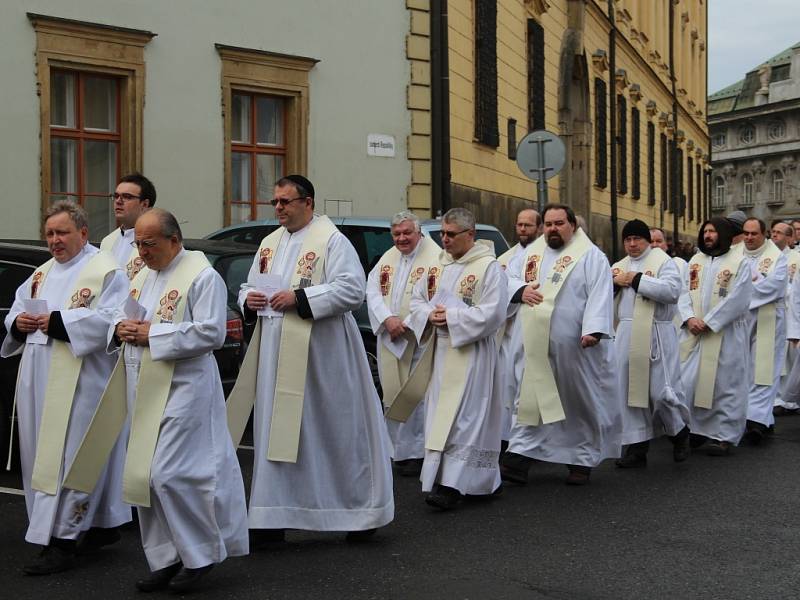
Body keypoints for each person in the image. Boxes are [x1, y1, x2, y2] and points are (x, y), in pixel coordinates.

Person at [65, 208, 249, 592]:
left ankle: (201, 554)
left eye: (149, 244)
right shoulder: (143, 275)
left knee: (168, 475)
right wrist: (121, 328)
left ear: (174, 240)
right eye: (138, 244)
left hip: (186, 390)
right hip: (142, 386)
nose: (143, 252)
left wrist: (154, 334)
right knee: (142, 478)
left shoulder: (202, 276)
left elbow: (213, 333)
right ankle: (166, 557)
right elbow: (121, 314)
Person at [227, 175, 393, 542]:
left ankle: (356, 513)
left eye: (286, 202)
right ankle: (273, 516)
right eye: (275, 202)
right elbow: (249, 285)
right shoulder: (270, 243)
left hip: (324, 355)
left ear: (308, 203)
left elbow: (351, 289)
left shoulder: (332, 240)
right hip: (276, 350)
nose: (279, 208)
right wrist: (249, 299)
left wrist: (300, 299)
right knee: (277, 432)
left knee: (332, 431)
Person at [1, 201, 131, 575]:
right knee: (39, 453)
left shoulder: (106, 271)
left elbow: (112, 319)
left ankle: (62, 539)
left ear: (84, 233)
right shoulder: (41, 273)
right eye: (50, 234)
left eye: (62, 233)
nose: (55, 241)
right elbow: (15, 309)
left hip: (81, 378)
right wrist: (19, 323)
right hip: (38, 376)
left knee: (73, 456)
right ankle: (88, 528)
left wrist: (58, 322)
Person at [394, 207, 507, 510]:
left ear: (470, 235)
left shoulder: (488, 267)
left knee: (467, 419)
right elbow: (416, 302)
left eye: (451, 234)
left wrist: (453, 317)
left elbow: (494, 313)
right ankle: (464, 480)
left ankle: (453, 486)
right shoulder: (436, 266)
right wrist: (431, 314)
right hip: (440, 352)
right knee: (439, 416)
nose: (444, 240)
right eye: (442, 233)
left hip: (471, 355)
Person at [501, 203, 620, 486]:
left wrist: (594, 329)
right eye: (549, 224)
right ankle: (518, 458)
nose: (553, 229)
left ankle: (580, 460)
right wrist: (520, 290)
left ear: (573, 226)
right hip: (531, 341)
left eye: (559, 223)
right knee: (528, 397)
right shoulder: (530, 253)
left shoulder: (591, 257)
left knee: (575, 401)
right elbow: (507, 278)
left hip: (573, 347)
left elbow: (599, 295)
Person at [366, 210, 440, 477]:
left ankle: (418, 451)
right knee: (392, 391)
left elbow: (436, 295)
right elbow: (372, 289)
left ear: (419, 232)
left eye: (407, 232)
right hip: (390, 336)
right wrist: (387, 319)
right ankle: (397, 449)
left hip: (418, 337)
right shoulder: (388, 258)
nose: (401, 238)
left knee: (418, 394)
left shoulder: (435, 258)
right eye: (396, 234)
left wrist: (407, 322)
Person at [612, 220, 690, 468]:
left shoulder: (662, 262)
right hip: (626, 331)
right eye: (627, 240)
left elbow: (672, 291)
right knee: (629, 392)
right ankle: (637, 448)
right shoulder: (618, 266)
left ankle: (679, 432)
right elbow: (600, 297)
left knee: (661, 391)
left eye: (638, 239)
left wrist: (636, 280)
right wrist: (614, 284)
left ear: (647, 240)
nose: (632, 244)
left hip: (657, 331)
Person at [678, 218, 753, 456]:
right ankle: (697, 429)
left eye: (712, 231)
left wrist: (710, 322)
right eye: (705, 231)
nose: (708, 235)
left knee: (725, 385)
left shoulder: (739, 262)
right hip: (695, 333)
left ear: (723, 234)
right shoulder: (696, 261)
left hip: (725, 333)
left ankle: (723, 435)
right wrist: (689, 317)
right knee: (692, 381)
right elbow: (682, 292)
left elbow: (739, 298)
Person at [496, 209, 541, 450]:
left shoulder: (549, 256)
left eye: (528, 225)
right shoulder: (506, 259)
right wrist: (518, 293)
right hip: (509, 335)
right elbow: (499, 290)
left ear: (539, 228)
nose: (522, 229)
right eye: (519, 225)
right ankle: (510, 442)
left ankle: (525, 448)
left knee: (530, 392)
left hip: (538, 333)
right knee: (509, 391)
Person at [740, 218, 787, 443]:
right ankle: (761, 418)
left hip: (768, 315)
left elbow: (774, 286)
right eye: (746, 233)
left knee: (764, 367)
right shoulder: (735, 252)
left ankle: (756, 421)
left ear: (764, 234)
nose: (749, 238)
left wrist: (743, 291)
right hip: (741, 317)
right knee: (744, 367)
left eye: (754, 234)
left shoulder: (777, 256)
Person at [100, 173, 155, 278]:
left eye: (127, 197)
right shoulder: (107, 241)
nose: (118, 201)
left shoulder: (156, 241)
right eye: (116, 196)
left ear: (145, 204)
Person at [772, 221, 800, 414]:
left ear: (790, 238)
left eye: (779, 233)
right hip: (772, 312)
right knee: (775, 358)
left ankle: (789, 399)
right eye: (772, 232)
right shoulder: (769, 257)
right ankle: (776, 397)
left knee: (790, 358)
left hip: (789, 311)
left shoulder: (797, 258)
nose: (774, 235)